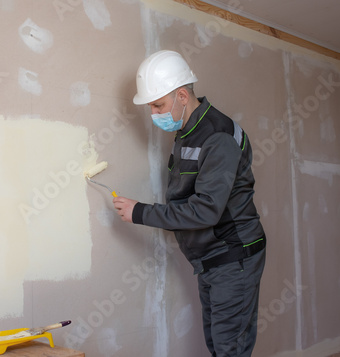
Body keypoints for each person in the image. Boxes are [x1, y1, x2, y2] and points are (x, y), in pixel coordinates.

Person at [113, 50, 266, 356]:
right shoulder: (189, 130)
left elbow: (206, 209)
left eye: (158, 104)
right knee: (219, 342)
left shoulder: (217, 136)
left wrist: (140, 212)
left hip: (233, 258)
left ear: (182, 95)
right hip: (212, 259)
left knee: (229, 348)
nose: (154, 113)